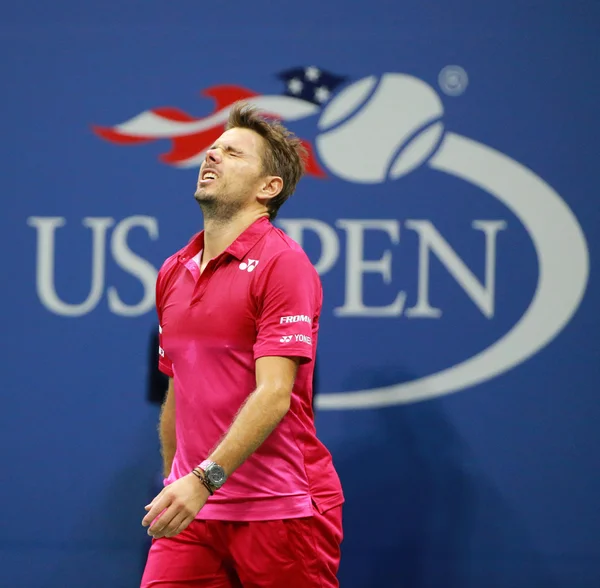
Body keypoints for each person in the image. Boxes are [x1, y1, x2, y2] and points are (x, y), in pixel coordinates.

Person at [140, 102, 344, 587]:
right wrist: (178, 481)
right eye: (212, 150)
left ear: (268, 188)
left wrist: (202, 478)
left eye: (233, 154)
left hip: (282, 508)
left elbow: (274, 393)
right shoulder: (173, 271)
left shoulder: (283, 264)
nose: (212, 157)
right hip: (196, 511)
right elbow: (178, 390)